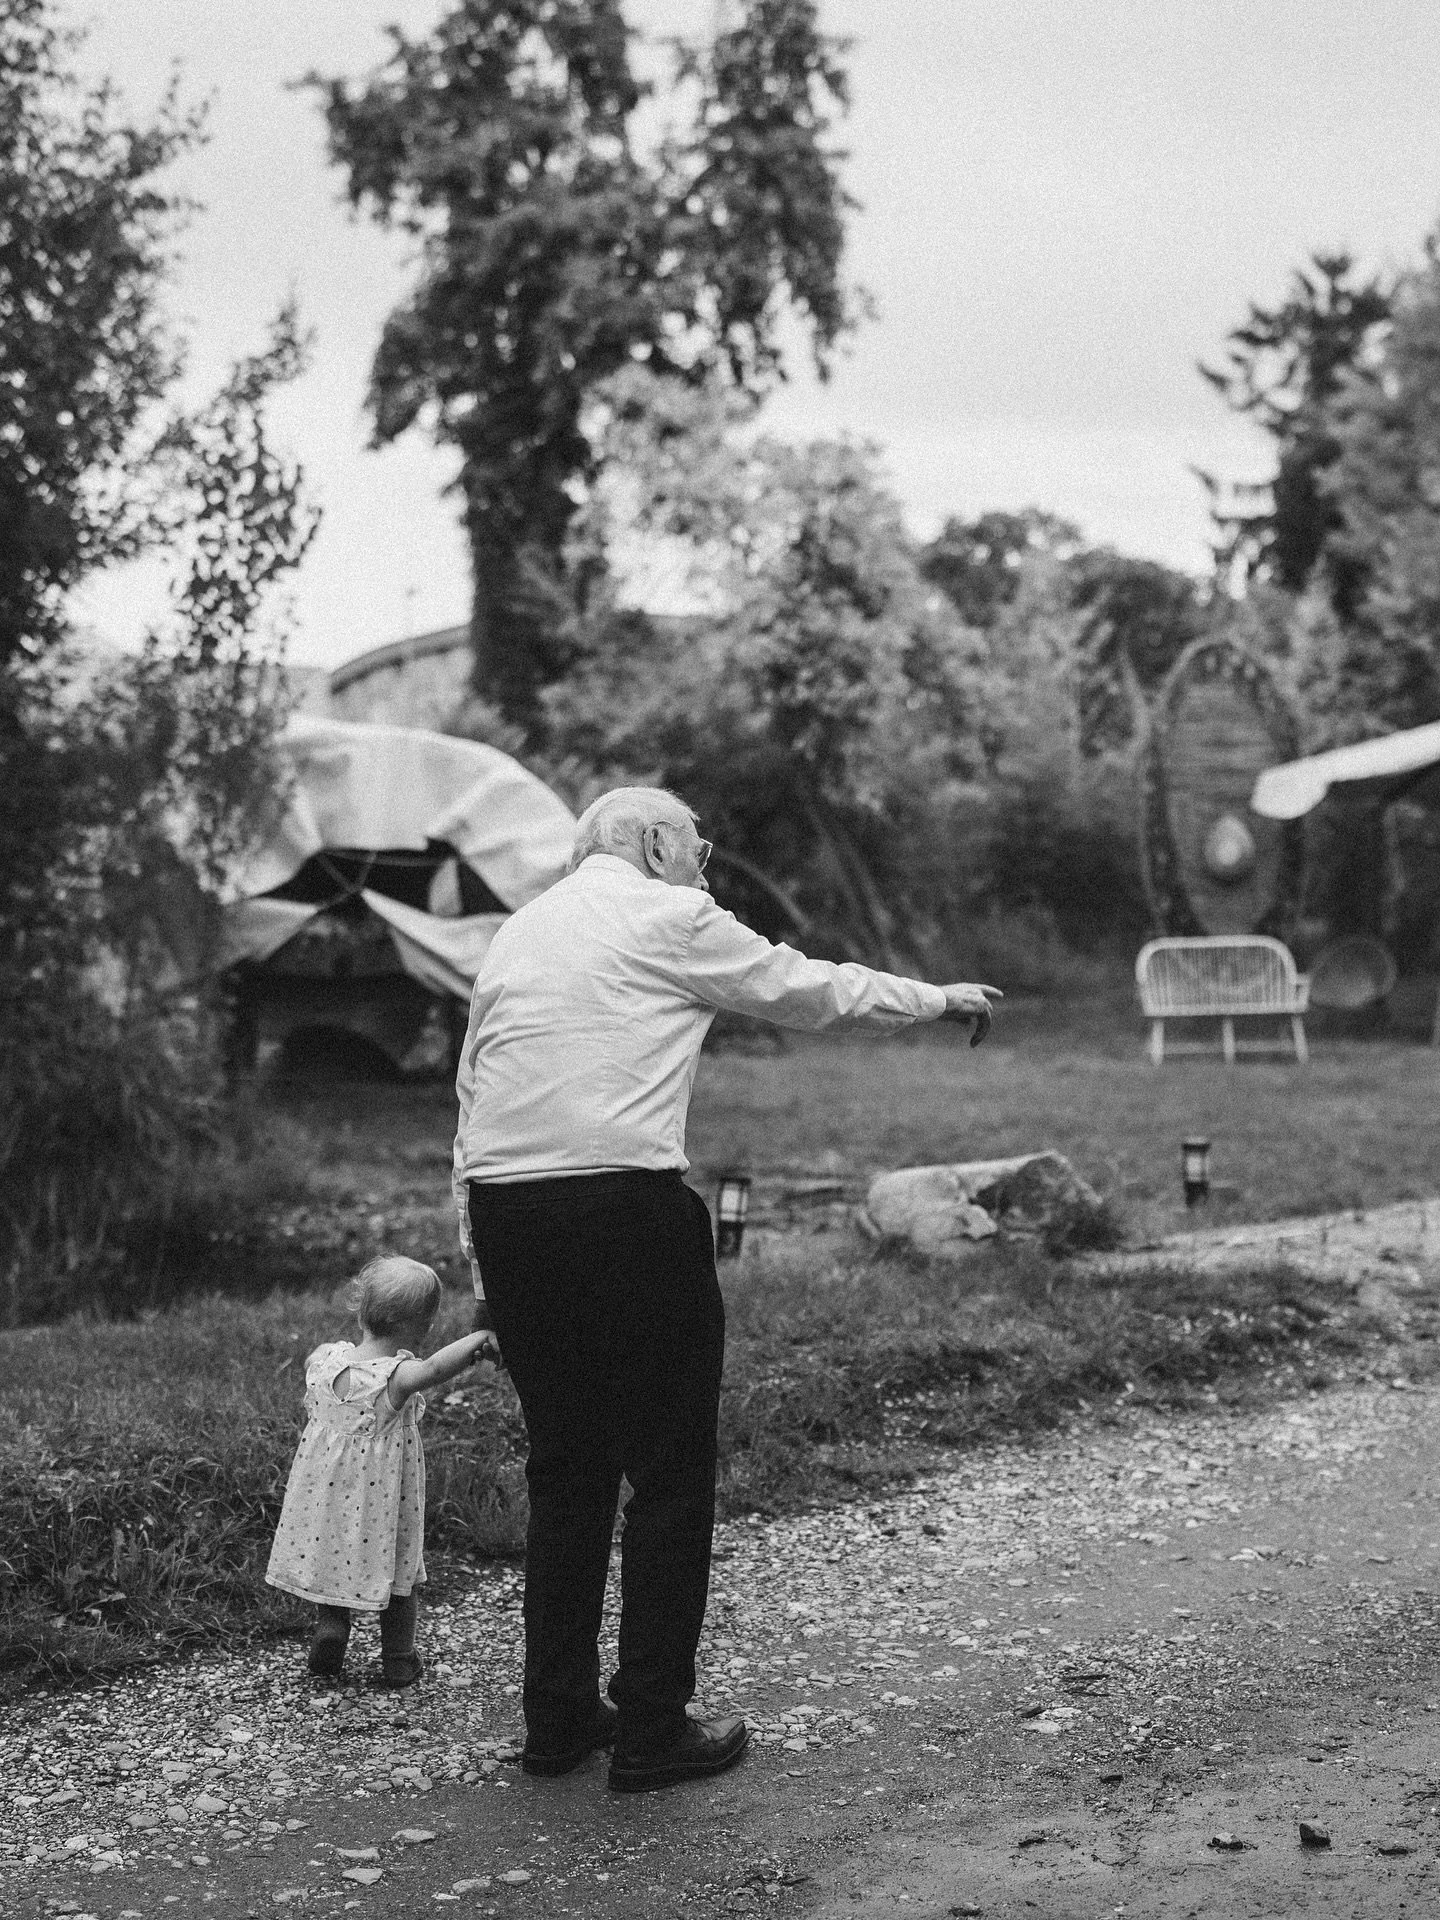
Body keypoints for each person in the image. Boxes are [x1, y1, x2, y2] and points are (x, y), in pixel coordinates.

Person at [453, 787, 1000, 1792]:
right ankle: (653, 1728)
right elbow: (807, 989)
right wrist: (938, 998)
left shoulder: (516, 936)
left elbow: (471, 1096)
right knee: (669, 1471)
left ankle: (559, 1720)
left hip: (509, 1216)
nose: (703, 869)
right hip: (625, 1211)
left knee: (566, 1470)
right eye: (698, 848)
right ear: (657, 841)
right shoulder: (669, 913)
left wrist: (483, 1270)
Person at [265, 1254, 498, 1685]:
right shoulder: (393, 1376)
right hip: (380, 1505)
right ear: (422, 1325)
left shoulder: (327, 1360)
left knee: (334, 1557)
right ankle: (398, 1658)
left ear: (362, 1309)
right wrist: (479, 1337)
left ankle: (332, 1626)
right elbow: (435, 1368)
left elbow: (311, 1360)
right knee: (397, 1574)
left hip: (326, 1498)